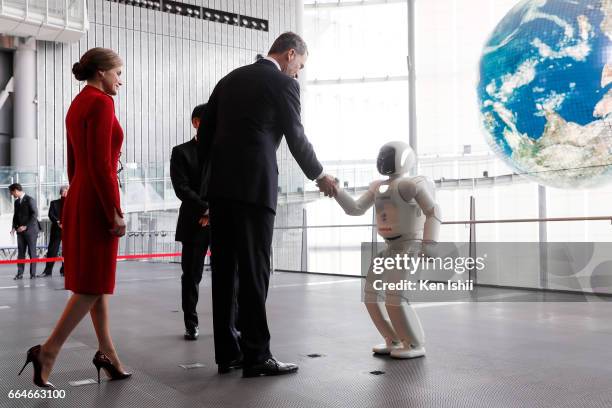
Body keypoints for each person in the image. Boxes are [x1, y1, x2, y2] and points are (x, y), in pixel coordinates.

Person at [198, 32, 338, 377]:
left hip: (221, 191)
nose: (298, 73)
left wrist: (209, 189)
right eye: (300, 66)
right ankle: (257, 356)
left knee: (225, 272)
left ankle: (228, 354)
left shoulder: (229, 79)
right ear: (291, 54)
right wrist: (319, 176)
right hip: (255, 190)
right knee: (255, 271)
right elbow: (296, 135)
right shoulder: (282, 84)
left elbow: (204, 137)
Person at [18, 48, 131, 388]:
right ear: (101, 73)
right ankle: (48, 350)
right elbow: (101, 165)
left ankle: (107, 352)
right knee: (91, 285)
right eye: (117, 73)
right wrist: (114, 209)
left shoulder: (77, 104)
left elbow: (76, 165)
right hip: (97, 199)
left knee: (96, 283)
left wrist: (74, 201)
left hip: (81, 194)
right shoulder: (101, 103)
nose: (120, 81)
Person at [334, 141, 441, 359]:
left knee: (396, 297)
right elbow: (355, 209)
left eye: (388, 155)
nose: (383, 160)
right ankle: (392, 339)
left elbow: (433, 211)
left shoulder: (410, 185)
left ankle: (414, 344)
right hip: (390, 247)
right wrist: (337, 192)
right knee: (371, 296)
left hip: (409, 245)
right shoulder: (378, 187)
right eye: (382, 155)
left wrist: (429, 244)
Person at [170, 104, 211, 341]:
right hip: (193, 222)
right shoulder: (181, 152)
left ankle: (232, 323)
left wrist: (213, 211)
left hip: (221, 220)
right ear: (196, 122)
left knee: (230, 274)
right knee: (191, 275)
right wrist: (205, 208)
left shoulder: (223, 151)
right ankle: (191, 323)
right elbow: (181, 188)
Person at [9, 183, 40, 280]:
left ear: (16, 191)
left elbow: (35, 215)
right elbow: (15, 216)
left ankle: (33, 274)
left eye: (12, 192)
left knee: (32, 252)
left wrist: (25, 226)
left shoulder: (30, 200)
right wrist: (14, 227)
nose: (11, 195)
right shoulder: (17, 202)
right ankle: (20, 273)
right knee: (21, 253)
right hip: (20, 232)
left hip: (30, 231)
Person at [39, 186, 68, 277]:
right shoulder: (54, 203)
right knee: (52, 251)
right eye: (63, 192)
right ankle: (48, 271)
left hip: (68, 231)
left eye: (66, 192)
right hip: (56, 230)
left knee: (67, 252)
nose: (65, 194)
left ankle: (65, 270)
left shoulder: (71, 203)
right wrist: (58, 222)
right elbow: (50, 214)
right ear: (61, 193)